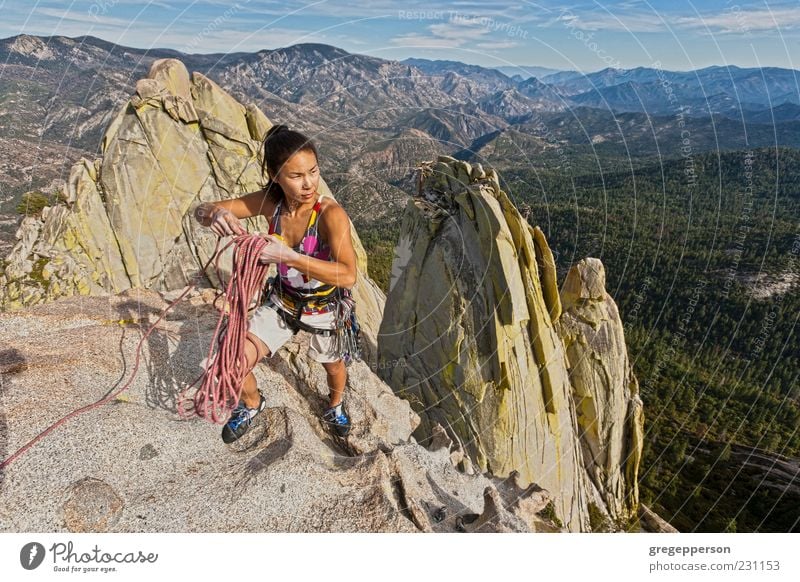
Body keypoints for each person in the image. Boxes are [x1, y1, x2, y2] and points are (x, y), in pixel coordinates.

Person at [193, 124, 358, 443]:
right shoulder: (272, 203)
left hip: (324, 306)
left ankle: (335, 405)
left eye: (313, 171)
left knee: (333, 366)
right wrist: (212, 214)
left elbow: (347, 274)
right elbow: (205, 210)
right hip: (283, 301)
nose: (309, 183)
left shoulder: (330, 215)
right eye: (296, 176)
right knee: (232, 361)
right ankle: (252, 403)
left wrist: (288, 256)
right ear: (275, 176)